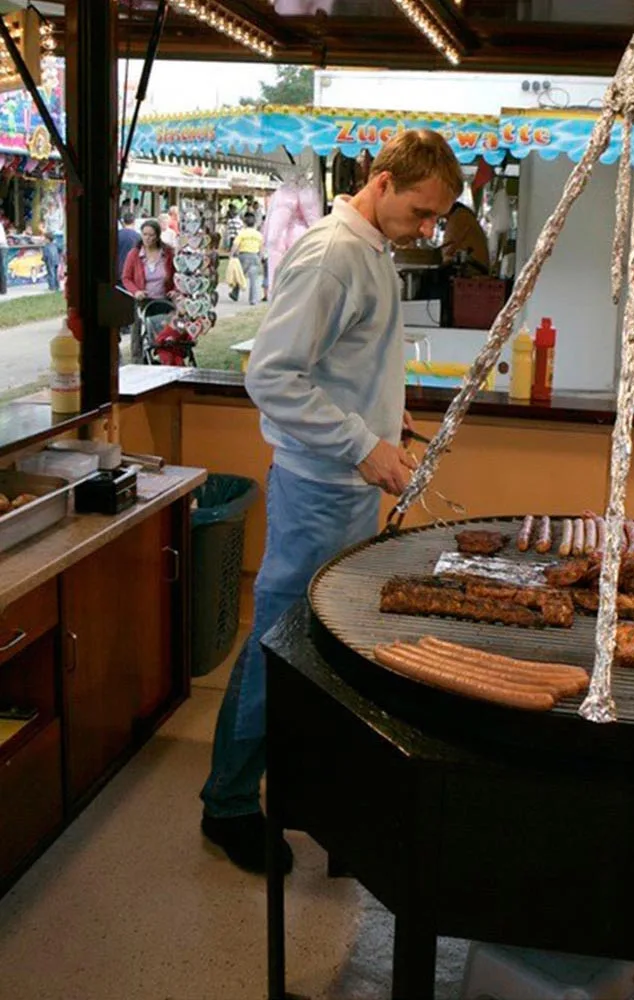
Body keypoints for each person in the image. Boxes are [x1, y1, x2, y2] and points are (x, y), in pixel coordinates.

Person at [199, 129, 462, 875]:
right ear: (382, 182)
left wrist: (384, 423)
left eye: (436, 218)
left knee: (325, 648)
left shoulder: (371, 247)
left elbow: (340, 365)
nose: (427, 229)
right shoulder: (333, 255)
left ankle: (313, 798)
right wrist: (360, 444)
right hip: (317, 488)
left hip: (345, 485)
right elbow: (272, 376)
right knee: (280, 648)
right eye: (421, 211)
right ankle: (228, 803)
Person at [121, 218, 176, 362]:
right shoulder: (134, 254)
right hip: (143, 300)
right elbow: (126, 278)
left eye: (151, 235)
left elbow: (177, 275)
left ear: (157, 236)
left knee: (165, 333)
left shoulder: (167, 253)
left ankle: (166, 359)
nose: (148, 238)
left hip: (163, 300)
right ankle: (137, 361)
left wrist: (175, 289)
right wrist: (136, 291)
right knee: (137, 333)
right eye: (145, 234)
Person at [441, 199, 489, 272]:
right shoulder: (465, 215)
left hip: (473, 268)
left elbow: (448, 249)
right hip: (480, 267)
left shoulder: (458, 217)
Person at [229, 212, 265, 305]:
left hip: (243, 256)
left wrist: (231, 255)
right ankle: (253, 300)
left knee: (239, 275)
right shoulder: (258, 234)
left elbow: (235, 244)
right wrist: (260, 258)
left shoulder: (242, 233)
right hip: (255, 256)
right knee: (254, 280)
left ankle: (235, 293)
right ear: (255, 223)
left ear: (245, 223)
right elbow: (261, 247)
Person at [116, 211, 142, 282]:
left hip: (117, 270)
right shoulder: (138, 237)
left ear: (123, 222)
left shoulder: (116, 234)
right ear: (134, 222)